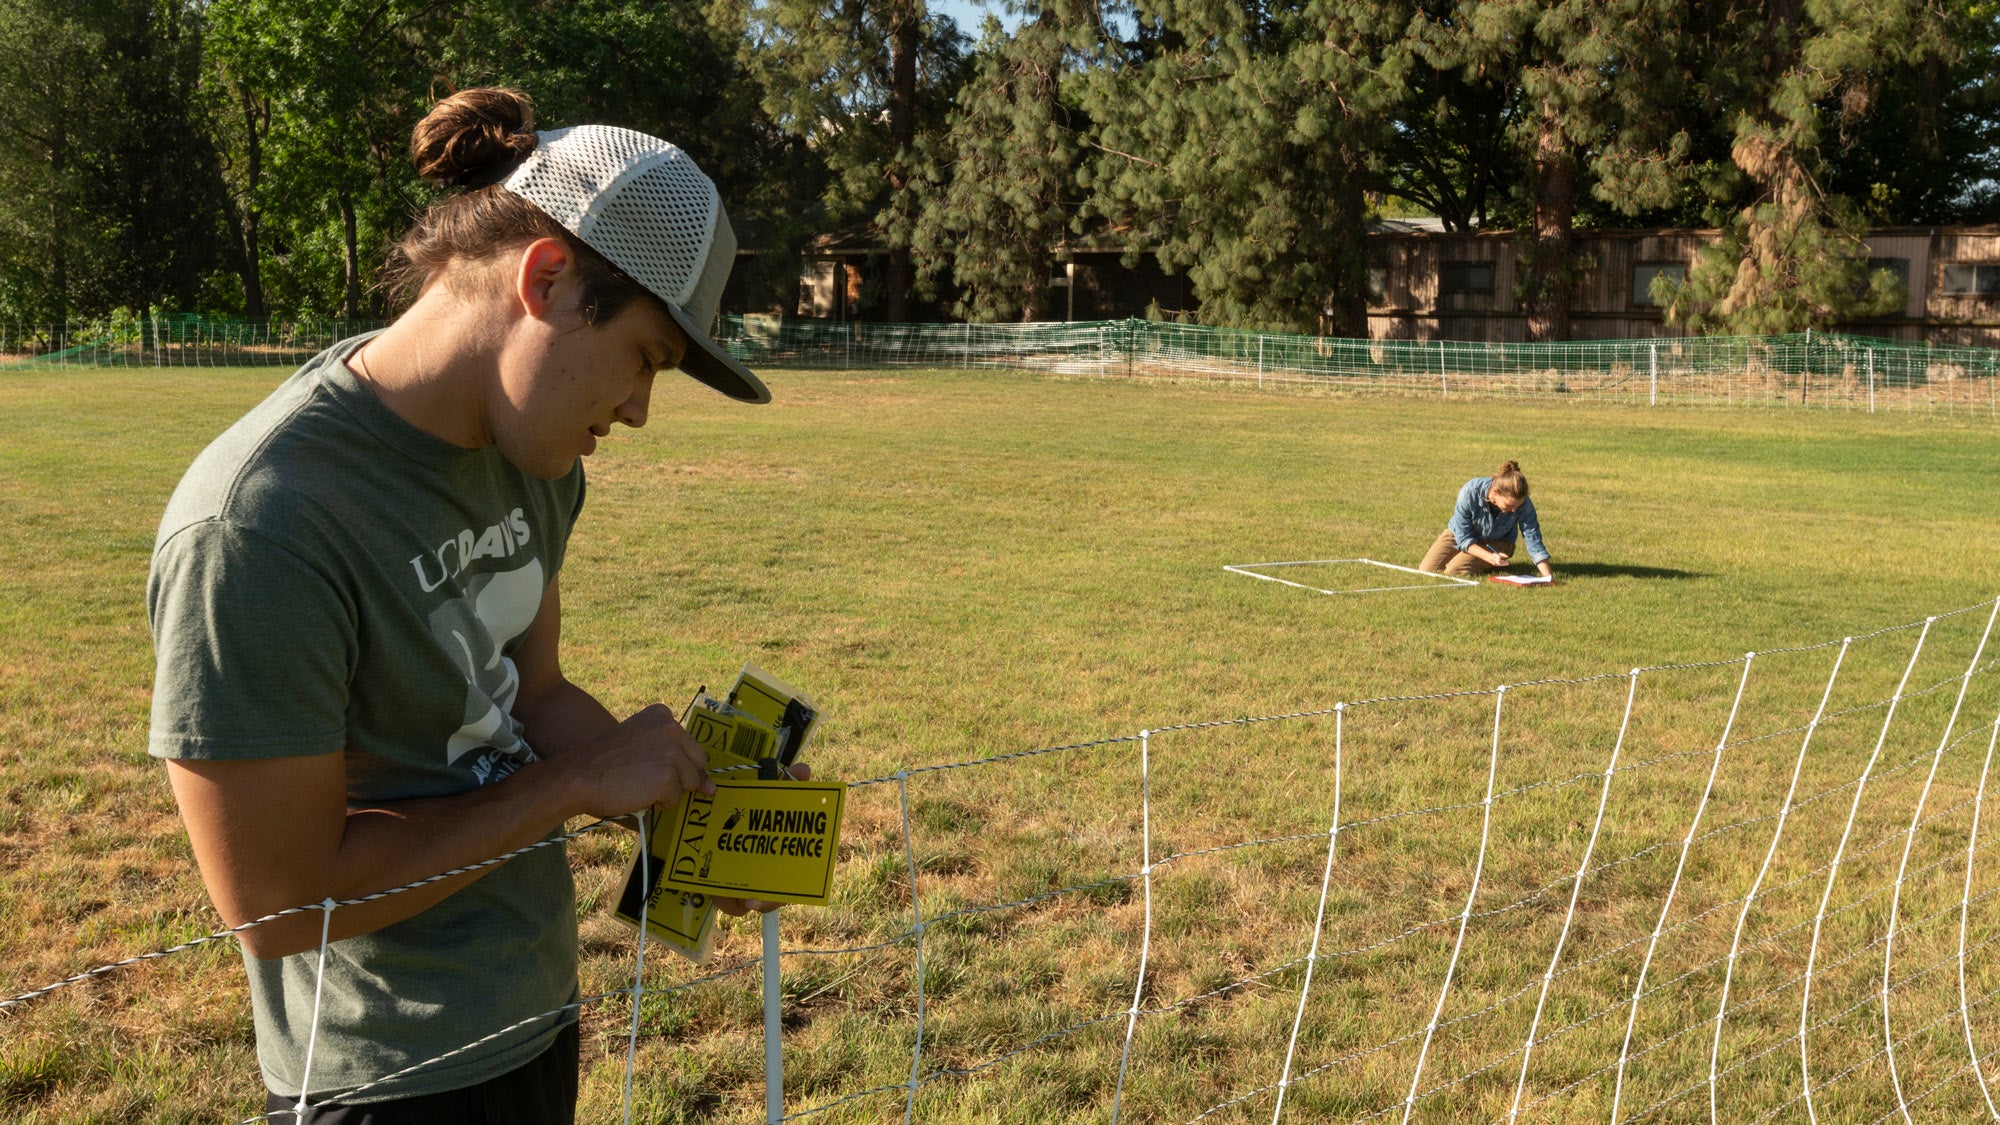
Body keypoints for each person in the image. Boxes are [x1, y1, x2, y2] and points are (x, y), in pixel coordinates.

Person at [147, 88, 796, 1123]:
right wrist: (577, 784)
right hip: (382, 1078)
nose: (636, 409)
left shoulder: (533, 461)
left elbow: (530, 697)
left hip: (532, 1014)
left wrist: (697, 810)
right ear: (546, 279)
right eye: (643, 359)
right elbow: (274, 905)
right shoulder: (260, 525)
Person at [1417, 460, 1555, 579]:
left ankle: (1483, 563)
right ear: (1495, 492)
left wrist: (1548, 577)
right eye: (1509, 505)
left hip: (1499, 542)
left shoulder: (1523, 503)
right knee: (1426, 571)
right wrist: (1488, 557)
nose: (1514, 510)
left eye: (1516, 506)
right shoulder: (1469, 492)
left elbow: (1533, 538)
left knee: (1453, 571)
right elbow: (1463, 537)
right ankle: (1485, 562)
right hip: (1459, 534)